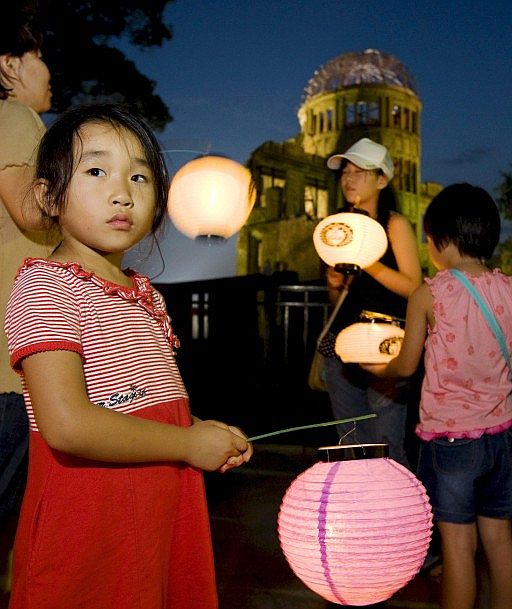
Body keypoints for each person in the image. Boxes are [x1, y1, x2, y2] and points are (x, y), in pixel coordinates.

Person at [4, 103, 253, 609]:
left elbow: (142, 398)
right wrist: (185, 445)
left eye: (140, 176)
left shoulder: (144, 293)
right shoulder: (46, 286)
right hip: (92, 516)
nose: (123, 192)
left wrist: (202, 429)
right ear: (48, 195)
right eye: (96, 171)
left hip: (158, 504)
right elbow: (68, 425)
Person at [363, 183, 512, 609]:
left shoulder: (430, 293)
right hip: (501, 437)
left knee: (458, 548)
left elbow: (407, 366)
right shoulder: (509, 290)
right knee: (499, 541)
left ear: (441, 241)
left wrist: (379, 369)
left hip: (451, 443)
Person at [320, 138, 422, 467]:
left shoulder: (393, 224)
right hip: (340, 343)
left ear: (382, 179)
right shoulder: (336, 227)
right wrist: (333, 283)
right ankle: (361, 514)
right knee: (350, 441)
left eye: (360, 171)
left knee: (388, 441)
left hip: (386, 342)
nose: (349, 178)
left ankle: (402, 516)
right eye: (345, 172)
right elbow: (336, 299)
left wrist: (370, 262)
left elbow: (413, 287)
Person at [0, 6, 54, 589]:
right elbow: (31, 210)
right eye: (40, 56)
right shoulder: (14, 115)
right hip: (10, 366)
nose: (48, 71)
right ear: (10, 66)